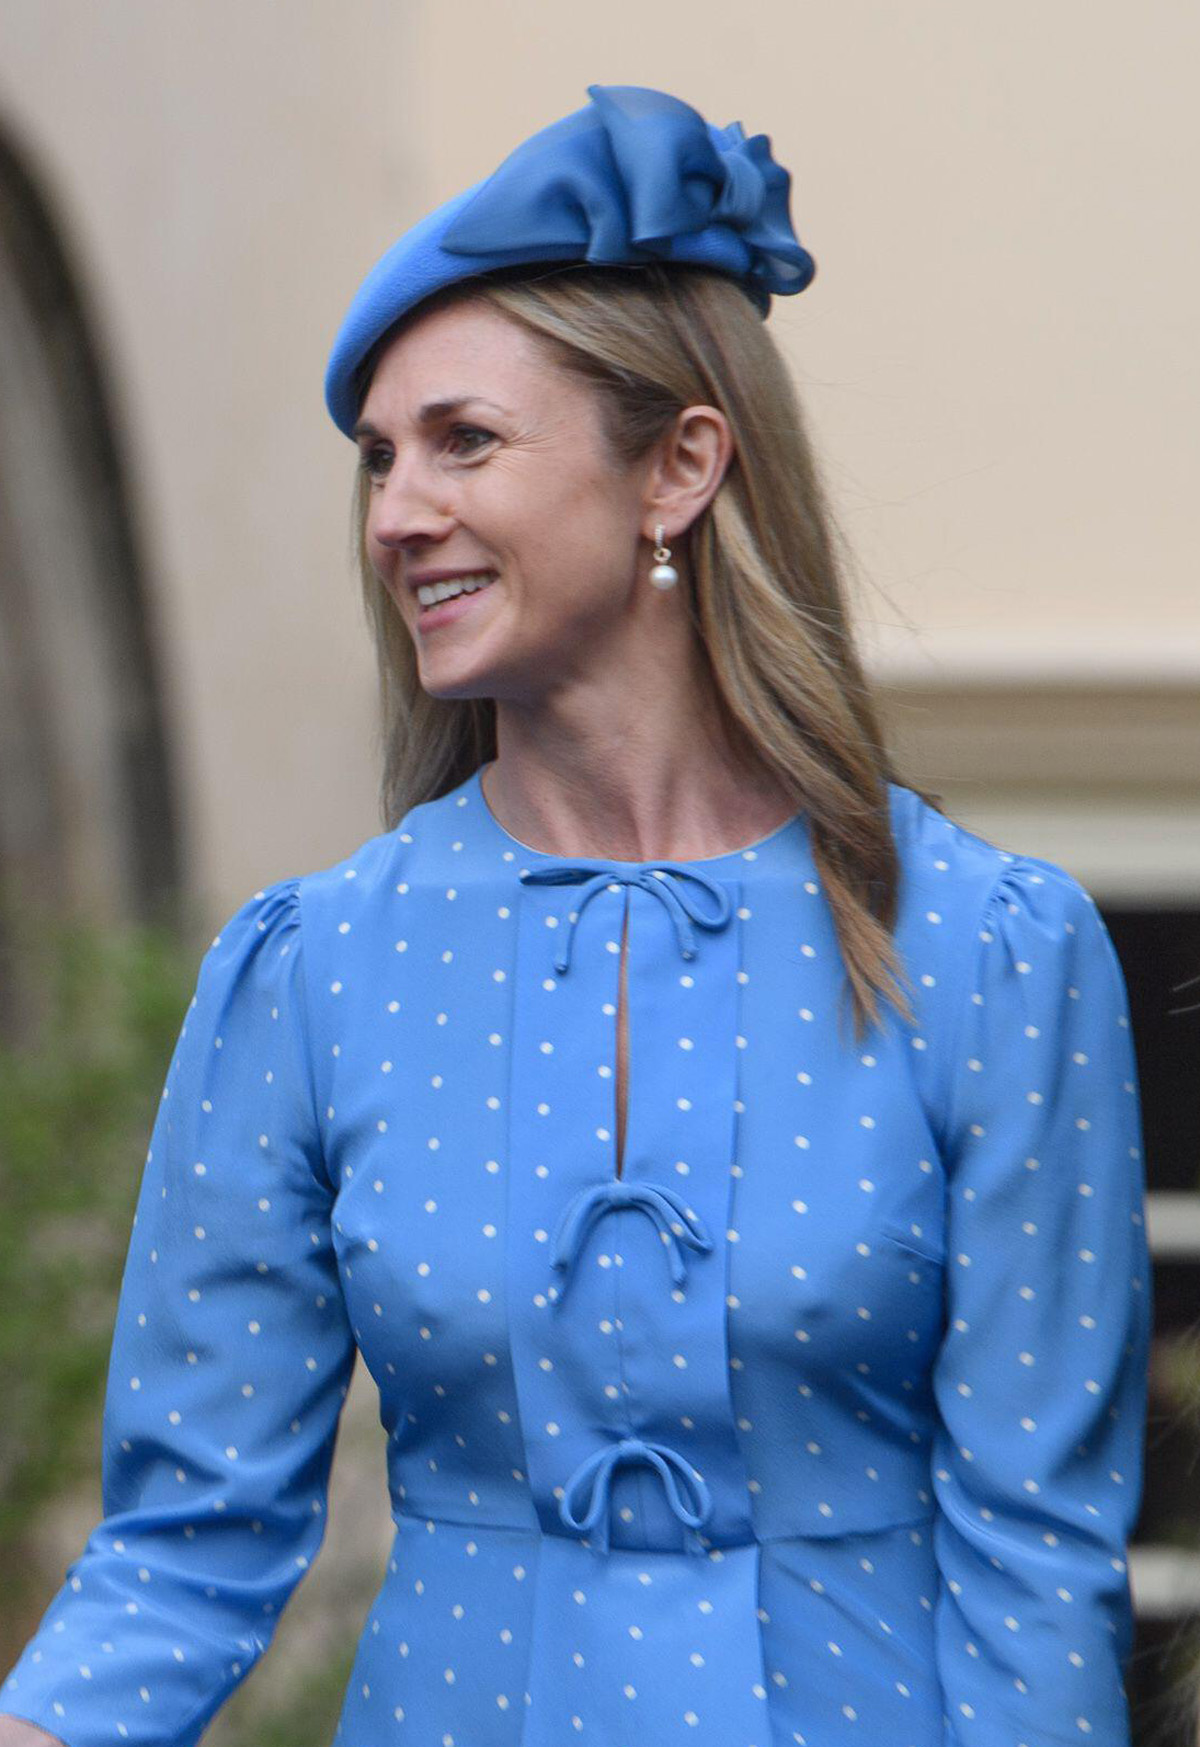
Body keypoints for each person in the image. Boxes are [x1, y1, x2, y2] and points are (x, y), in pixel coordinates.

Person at [0, 83, 1150, 1747]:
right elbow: (181, 1552)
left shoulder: (990, 952)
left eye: (464, 440)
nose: (397, 512)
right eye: (380, 459)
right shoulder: (314, 967)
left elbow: (1038, 1567)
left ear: (678, 467)